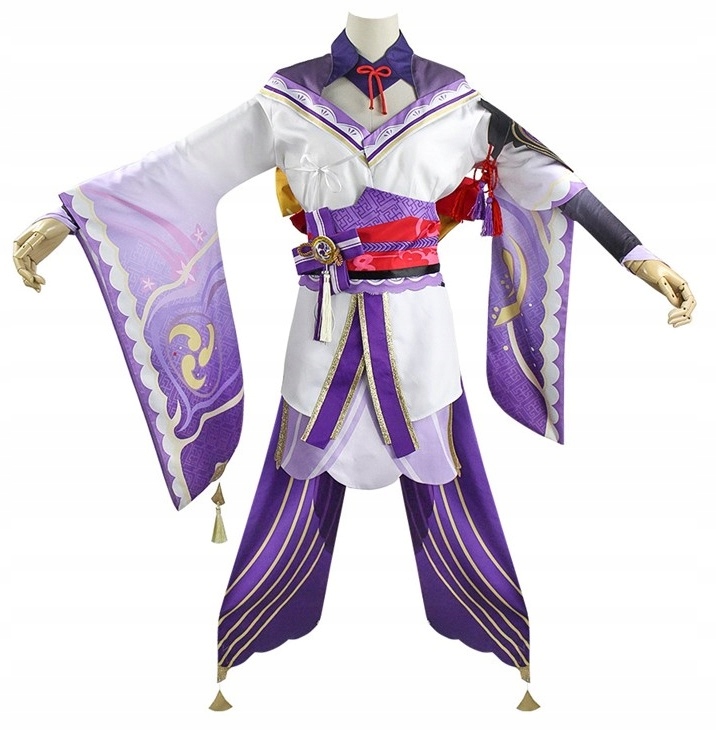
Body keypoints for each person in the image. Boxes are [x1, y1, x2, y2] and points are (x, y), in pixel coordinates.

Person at [11, 12, 696, 713]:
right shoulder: (288, 100)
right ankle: (252, 623)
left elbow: (553, 180)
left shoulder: (455, 103)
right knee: (295, 471)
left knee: (449, 471)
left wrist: (640, 257)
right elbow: (182, 166)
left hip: (418, 330)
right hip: (325, 321)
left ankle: (494, 624)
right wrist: (69, 217)